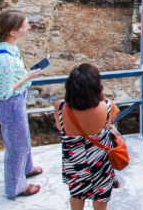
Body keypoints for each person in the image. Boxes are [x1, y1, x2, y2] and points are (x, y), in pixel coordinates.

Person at [0, 9, 43, 197]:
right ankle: (15, 187)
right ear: (12, 31)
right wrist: (27, 76)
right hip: (11, 103)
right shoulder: (4, 60)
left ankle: (27, 168)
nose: (28, 27)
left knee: (23, 137)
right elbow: (2, 92)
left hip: (17, 100)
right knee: (16, 146)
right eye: (25, 25)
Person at [54, 63, 121, 210]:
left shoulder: (60, 107)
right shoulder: (106, 106)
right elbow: (116, 113)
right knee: (101, 196)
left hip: (74, 162)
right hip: (99, 162)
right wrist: (101, 96)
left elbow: (60, 127)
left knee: (77, 194)